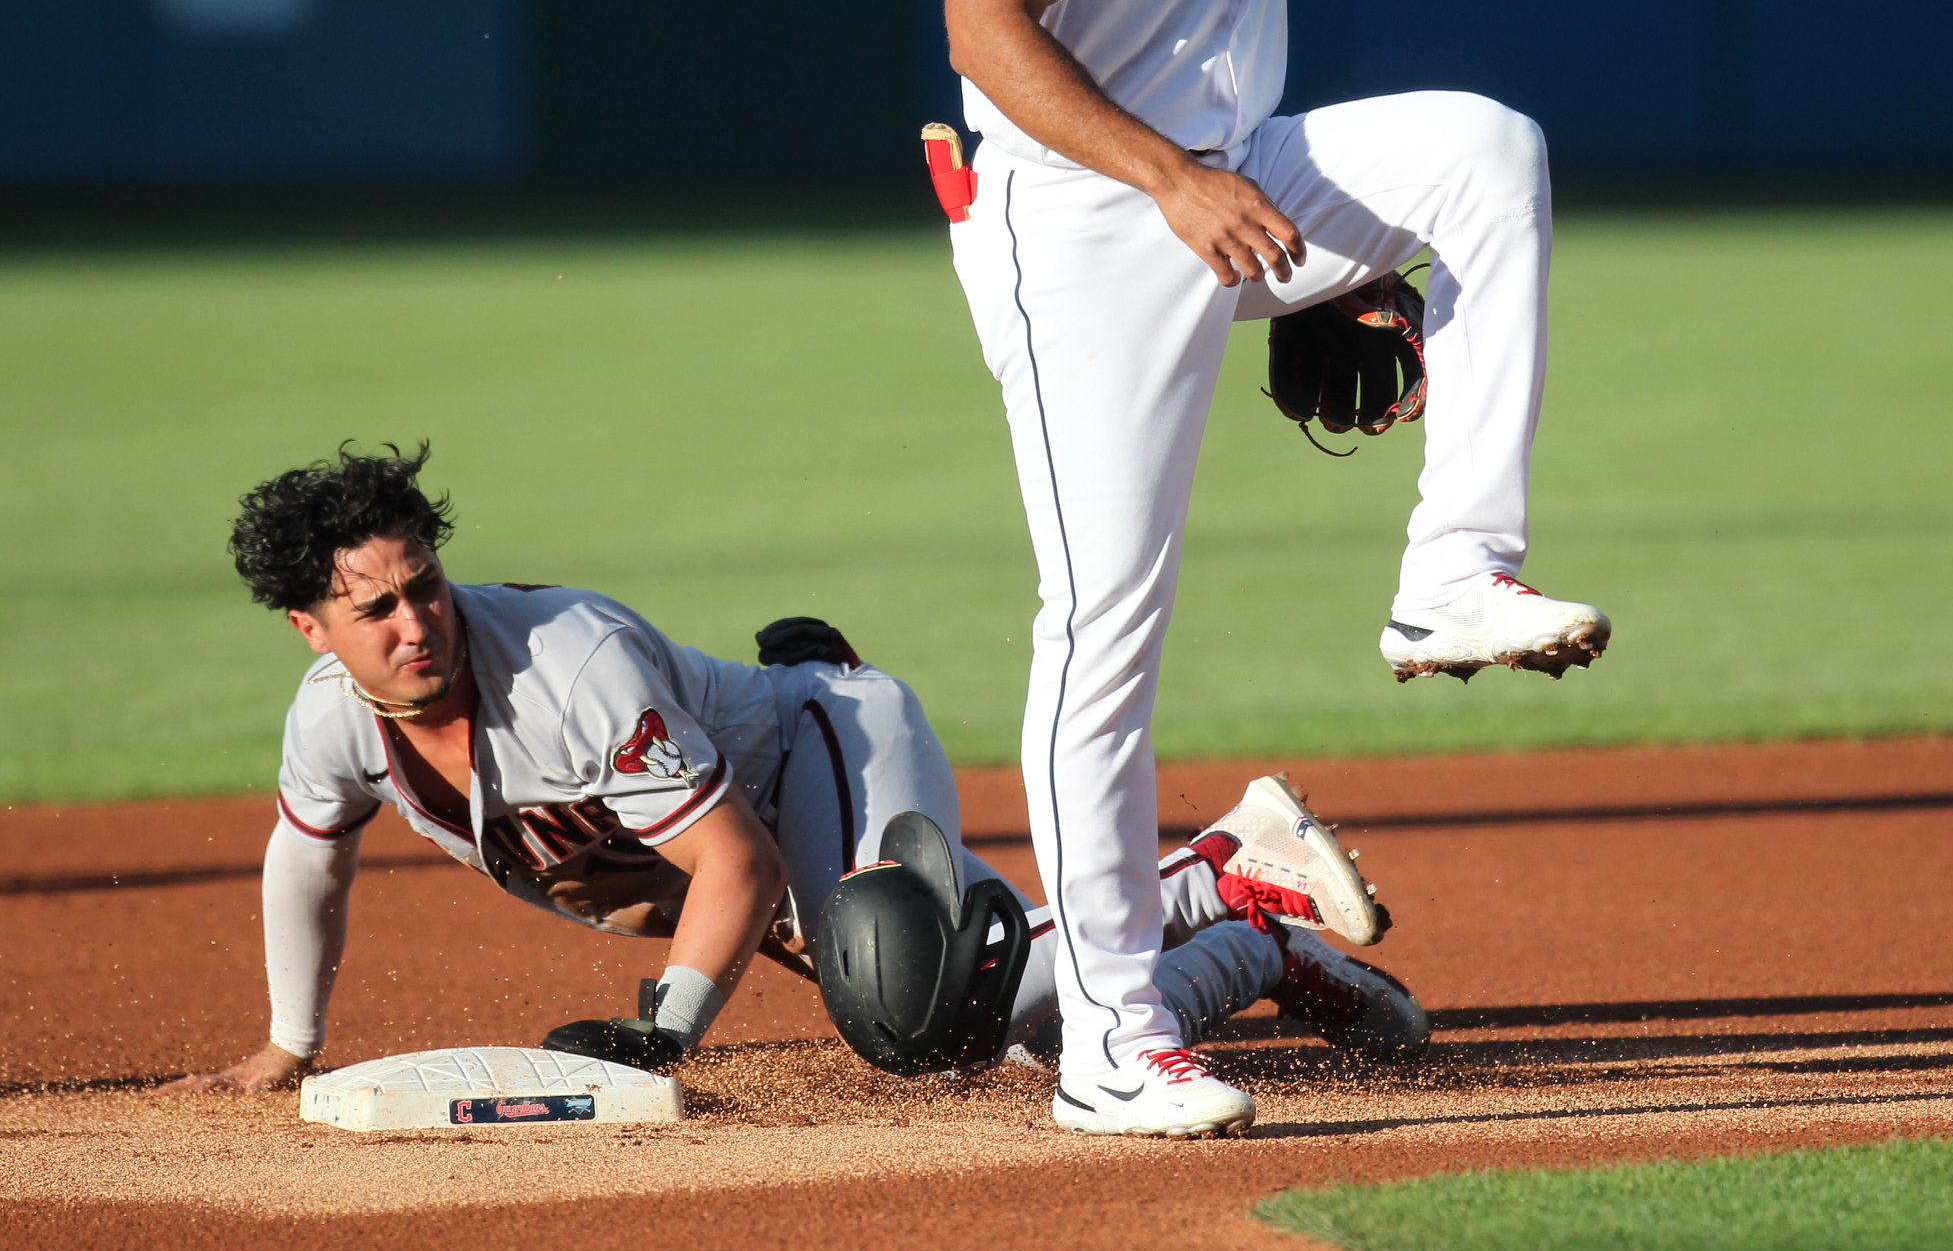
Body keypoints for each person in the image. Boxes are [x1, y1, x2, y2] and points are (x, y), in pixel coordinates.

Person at [937, 0, 1611, 1136]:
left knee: (1484, 154)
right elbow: (984, 32)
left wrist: (1340, 259)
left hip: (1233, 177)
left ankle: (1451, 573)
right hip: (1086, 225)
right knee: (1105, 629)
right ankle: (1108, 1034)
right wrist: (1171, 180)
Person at [159, 446, 1426, 1123]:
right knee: (1017, 1034)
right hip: (749, 814)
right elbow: (305, 857)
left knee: (909, 1021)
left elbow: (736, 865)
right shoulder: (331, 725)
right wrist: (288, 1047)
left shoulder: (566, 663)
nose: (414, 622)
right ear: (310, 629)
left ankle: (1206, 867)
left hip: (816, 753)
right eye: (372, 607)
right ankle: (1255, 950)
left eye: (424, 583)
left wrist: (663, 1037)